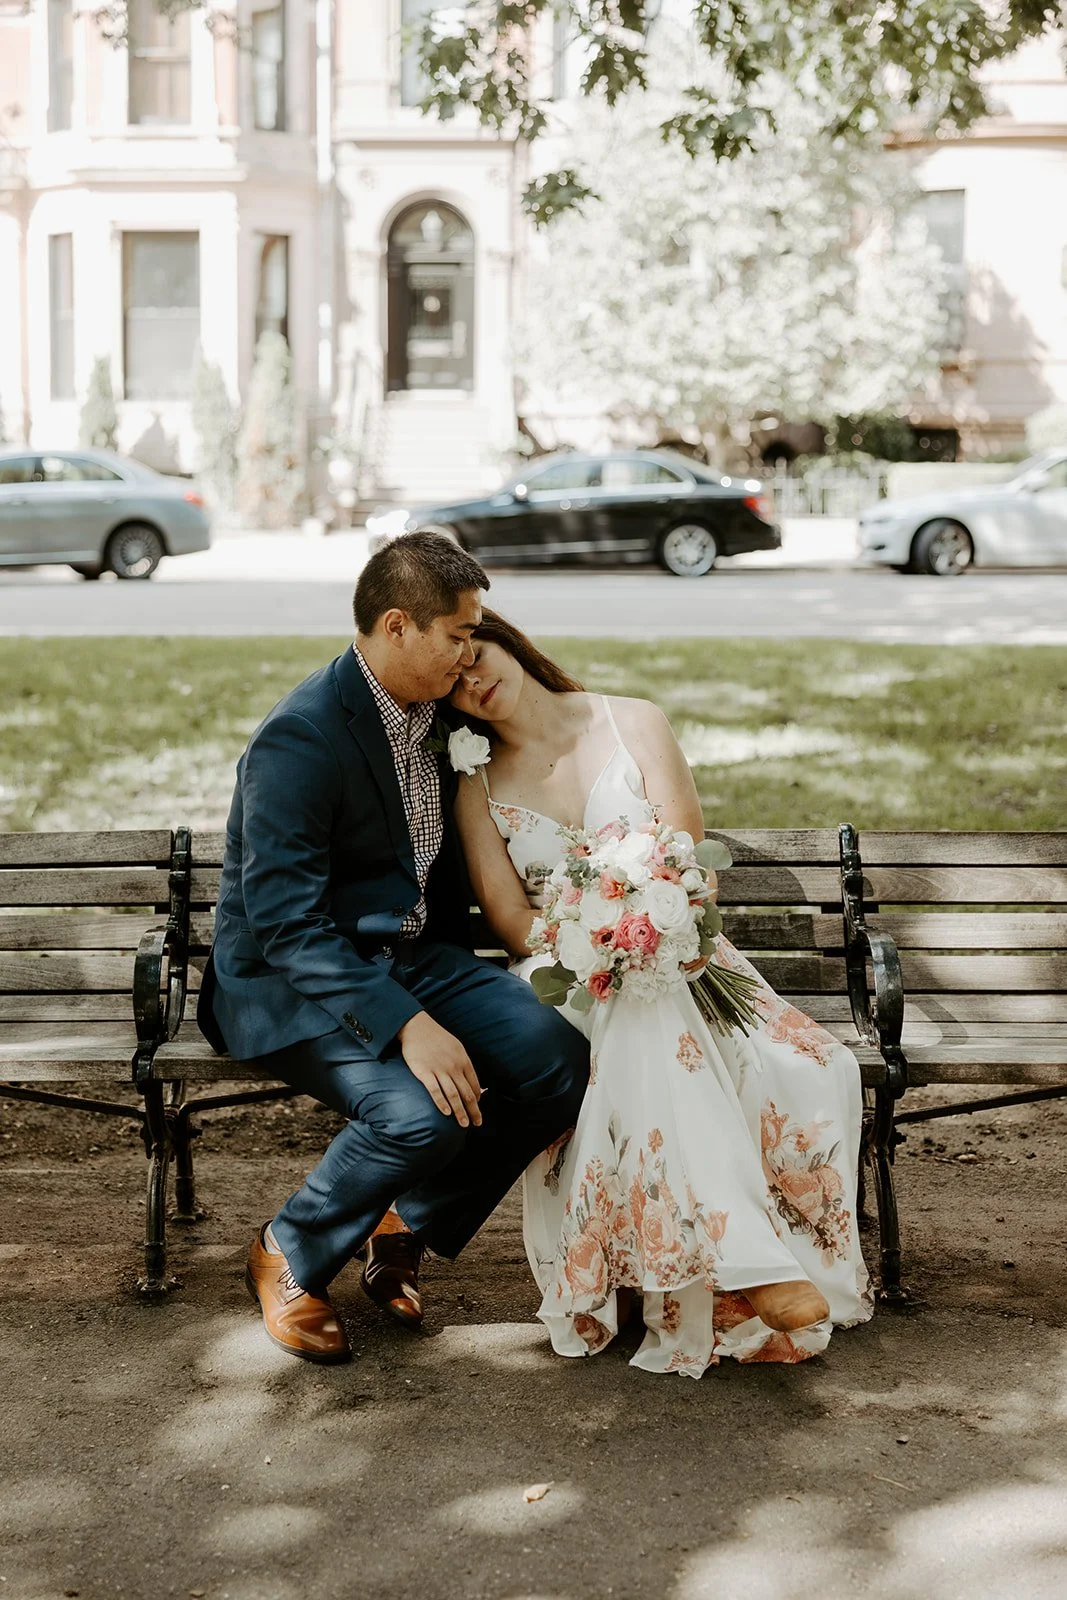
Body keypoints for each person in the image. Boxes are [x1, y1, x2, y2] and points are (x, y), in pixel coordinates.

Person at [448, 610, 872, 1375]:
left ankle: (737, 1268)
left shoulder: (634, 722)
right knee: (635, 1003)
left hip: (686, 950)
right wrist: (591, 935)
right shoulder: (474, 786)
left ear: (508, 641)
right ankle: (749, 1265)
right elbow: (513, 919)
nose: (474, 681)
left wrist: (647, 927)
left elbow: (693, 868)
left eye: (476, 655)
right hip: (563, 972)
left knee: (768, 1052)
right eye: (455, 683)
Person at [197, 537, 589, 1363]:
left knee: (559, 1058)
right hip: (289, 979)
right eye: (457, 634)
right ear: (397, 625)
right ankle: (289, 1250)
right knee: (418, 1113)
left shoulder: (441, 715)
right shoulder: (300, 739)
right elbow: (285, 923)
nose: (469, 652)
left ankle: (403, 1222)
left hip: (415, 957)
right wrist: (408, 1024)